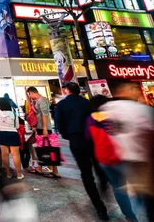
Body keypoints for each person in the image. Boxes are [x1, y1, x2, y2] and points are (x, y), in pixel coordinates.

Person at [102, 82, 154, 221]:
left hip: (120, 158)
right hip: (142, 160)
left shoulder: (106, 108)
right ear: (128, 91)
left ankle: (132, 217)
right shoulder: (141, 109)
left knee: (129, 192)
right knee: (146, 197)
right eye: (135, 89)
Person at [56, 82, 108, 220]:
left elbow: (59, 125)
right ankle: (104, 186)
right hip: (92, 139)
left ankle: (100, 207)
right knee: (99, 167)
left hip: (76, 141)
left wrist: (69, 135)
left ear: (67, 91)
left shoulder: (62, 105)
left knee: (86, 174)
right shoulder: (86, 102)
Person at [86, 95, 138, 222]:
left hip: (104, 159)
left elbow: (88, 137)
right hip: (121, 157)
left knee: (118, 188)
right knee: (139, 186)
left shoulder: (89, 119)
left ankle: (130, 217)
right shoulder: (113, 117)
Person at [26, 87, 60, 178]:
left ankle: (51, 170)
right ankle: (46, 168)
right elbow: (32, 106)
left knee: (48, 149)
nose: (30, 97)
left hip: (44, 128)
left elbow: (45, 115)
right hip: (40, 128)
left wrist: (44, 128)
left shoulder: (42, 100)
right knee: (45, 149)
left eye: (30, 94)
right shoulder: (37, 100)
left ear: (32, 93)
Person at [0, 98, 23, 179]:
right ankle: (19, 174)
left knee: (4, 155)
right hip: (12, 133)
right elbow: (17, 126)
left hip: (1, 133)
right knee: (15, 155)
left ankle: (8, 173)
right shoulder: (14, 112)